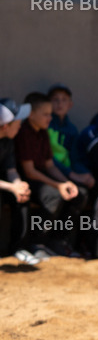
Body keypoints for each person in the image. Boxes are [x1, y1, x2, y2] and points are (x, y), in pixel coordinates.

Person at [14, 91, 87, 256]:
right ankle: (36, 243)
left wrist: (66, 183)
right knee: (53, 196)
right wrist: (58, 185)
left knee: (79, 194)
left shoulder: (43, 132)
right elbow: (30, 172)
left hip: (43, 177)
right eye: (45, 114)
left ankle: (57, 240)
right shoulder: (24, 132)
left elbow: (50, 165)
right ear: (31, 114)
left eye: (50, 114)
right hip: (27, 179)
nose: (50, 118)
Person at [0, 98, 36, 264]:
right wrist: (12, 187)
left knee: (22, 198)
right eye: (17, 122)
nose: (21, 125)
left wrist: (18, 185)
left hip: (4, 185)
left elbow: (11, 170)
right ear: (5, 126)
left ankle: (18, 248)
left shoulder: (8, 141)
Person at [47, 84, 95, 192]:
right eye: (55, 100)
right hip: (50, 172)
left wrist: (85, 173)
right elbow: (46, 158)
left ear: (70, 104)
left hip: (67, 173)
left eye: (64, 100)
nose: (60, 104)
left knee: (83, 191)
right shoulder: (45, 125)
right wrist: (71, 175)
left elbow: (75, 158)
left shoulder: (72, 129)